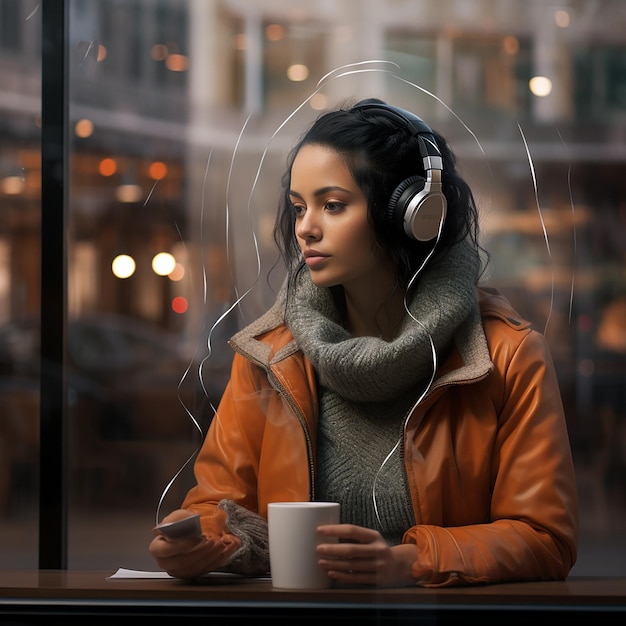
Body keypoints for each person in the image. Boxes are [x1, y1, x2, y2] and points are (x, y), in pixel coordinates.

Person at [149, 98, 579, 587]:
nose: (306, 227)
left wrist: (407, 563)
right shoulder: (271, 355)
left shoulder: (507, 356)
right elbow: (215, 507)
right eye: (298, 207)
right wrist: (197, 545)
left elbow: (546, 538)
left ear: (414, 214)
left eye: (333, 205)